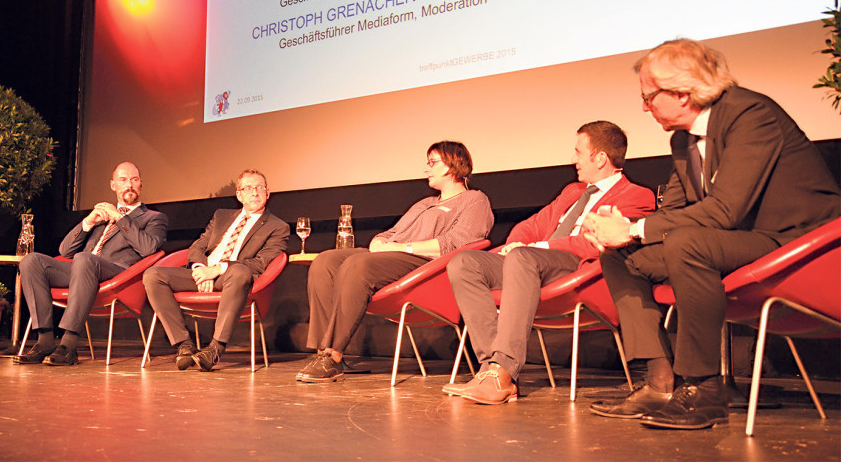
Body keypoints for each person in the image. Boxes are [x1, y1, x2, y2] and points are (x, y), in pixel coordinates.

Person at [582, 38, 841, 430]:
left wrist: (634, 228)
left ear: (683, 93)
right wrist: (618, 232)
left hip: (799, 242)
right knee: (617, 253)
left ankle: (704, 390)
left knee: (687, 243)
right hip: (739, 240)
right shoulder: (682, 139)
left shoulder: (750, 113)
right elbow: (679, 208)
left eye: (649, 98)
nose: (644, 108)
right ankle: (660, 380)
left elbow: (724, 209)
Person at [444, 121, 655, 404]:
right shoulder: (573, 191)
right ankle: (491, 370)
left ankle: (503, 371)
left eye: (579, 152)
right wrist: (515, 244)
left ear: (600, 158)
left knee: (523, 257)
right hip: (530, 261)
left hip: (577, 268)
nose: (573, 160)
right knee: (464, 263)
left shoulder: (636, 195)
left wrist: (534, 247)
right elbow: (531, 224)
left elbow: (595, 242)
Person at [297, 141, 494, 383]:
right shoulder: (425, 203)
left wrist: (402, 247)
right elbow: (391, 232)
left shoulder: (474, 200)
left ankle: (334, 355)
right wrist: (379, 242)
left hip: (423, 265)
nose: (427, 169)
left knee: (358, 265)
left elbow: (457, 242)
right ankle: (322, 353)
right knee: (325, 261)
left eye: (433, 162)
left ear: (453, 165)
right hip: (391, 256)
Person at [15, 162, 168, 366]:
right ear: (113, 185)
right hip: (82, 269)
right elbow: (65, 251)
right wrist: (88, 221)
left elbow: (149, 248)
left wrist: (120, 218)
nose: (129, 184)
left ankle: (68, 345)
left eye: (134, 179)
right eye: (123, 180)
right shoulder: (101, 218)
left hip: (117, 275)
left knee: (84, 259)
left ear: (141, 184)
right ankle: (45, 340)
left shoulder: (153, 218)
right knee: (31, 261)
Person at [143, 169, 289, 371]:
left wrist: (217, 270)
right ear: (239, 195)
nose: (254, 193)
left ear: (268, 192)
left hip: (232, 278)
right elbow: (198, 246)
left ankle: (215, 348)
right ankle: (184, 345)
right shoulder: (221, 216)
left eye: (259, 188)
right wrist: (200, 268)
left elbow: (260, 263)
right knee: (153, 275)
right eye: (248, 188)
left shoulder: (277, 227)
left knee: (240, 272)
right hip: (202, 272)